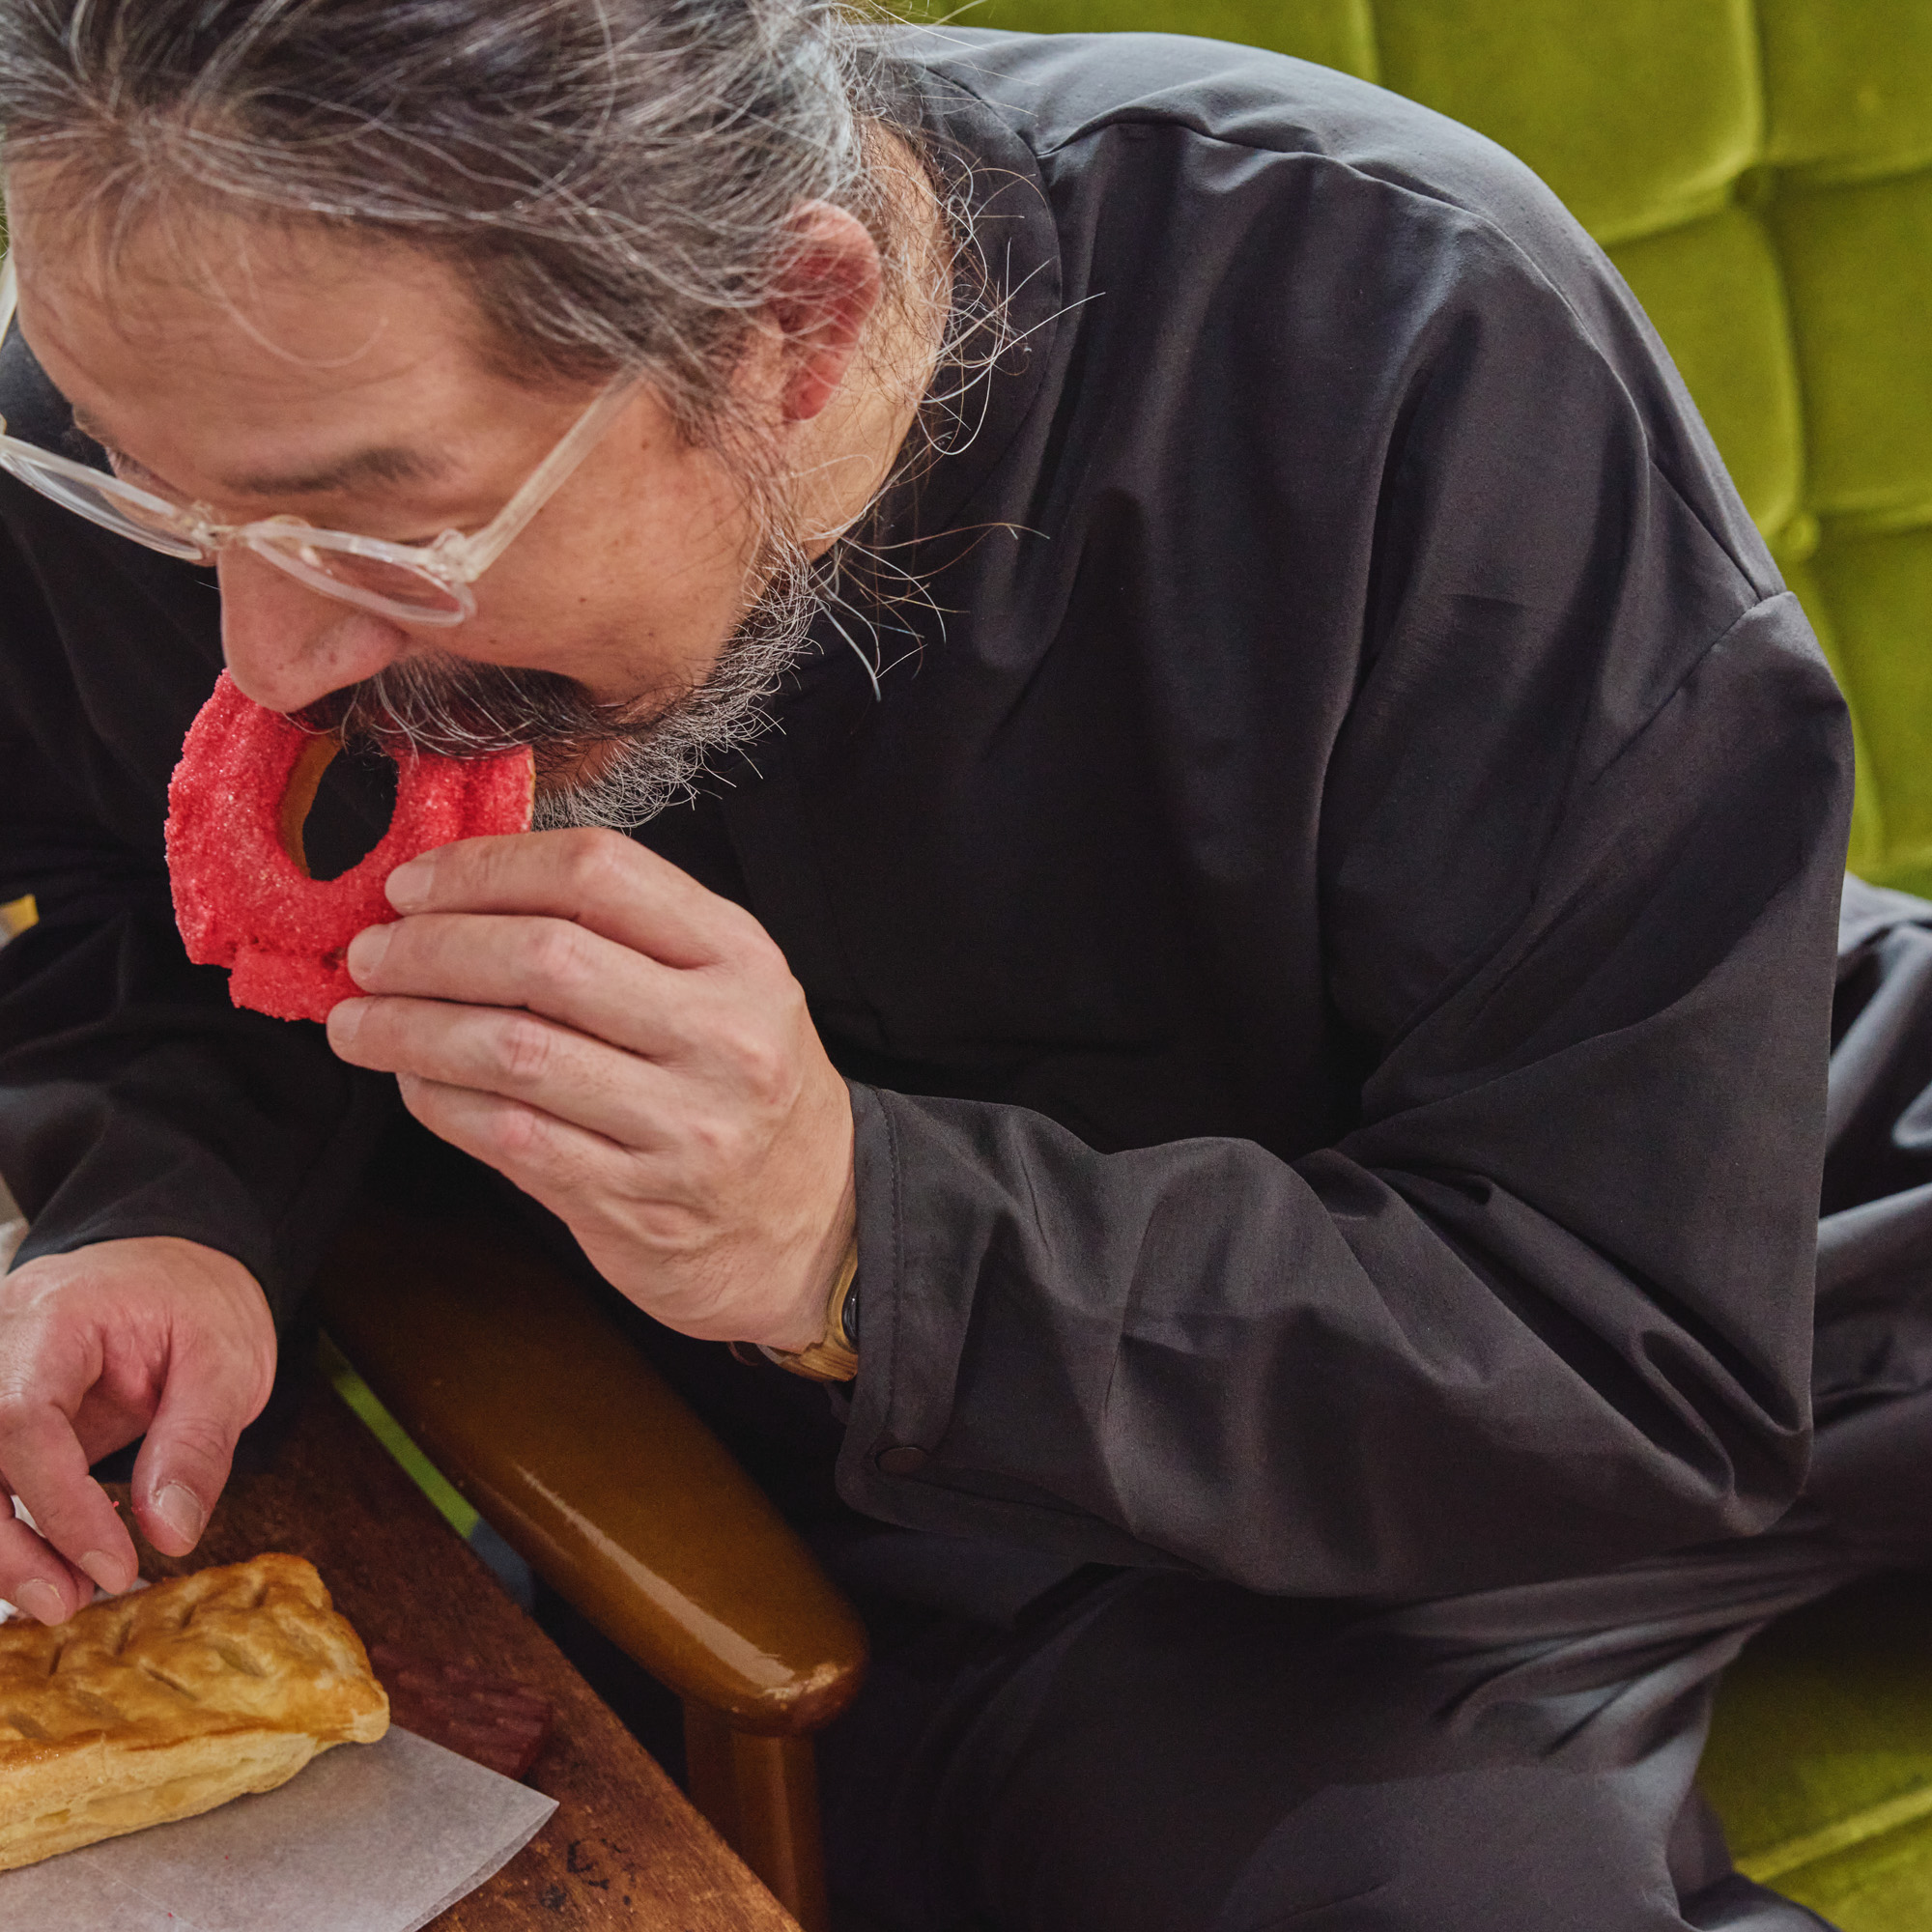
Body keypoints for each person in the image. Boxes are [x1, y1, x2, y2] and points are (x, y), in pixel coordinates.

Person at [0, 3, 1899, 1926]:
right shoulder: (192, 370)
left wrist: (854, 1226)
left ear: (794, 328)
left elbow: (1637, 1332)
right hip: (1029, 1527)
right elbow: (103, 886)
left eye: (379, 530)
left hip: (1692, 1175)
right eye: (152, 494)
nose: (264, 654)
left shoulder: (1395, 322)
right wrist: (157, 1207)